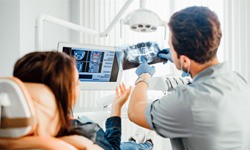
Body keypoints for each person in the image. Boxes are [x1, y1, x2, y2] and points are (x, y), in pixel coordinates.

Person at [128, 6, 250, 150]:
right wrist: (187, 69)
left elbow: (135, 111)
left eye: (171, 47)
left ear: (185, 60)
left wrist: (144, 76)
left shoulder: (188, 101)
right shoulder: (239, 80)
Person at [13, 51, 154, 150]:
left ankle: (136, 141)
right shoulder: (83, 134)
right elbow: (113, 147)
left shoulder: (13, 134)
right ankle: (148, 144)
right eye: (76, 82)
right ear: (64, 92)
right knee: (130, 148)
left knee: (127, 146)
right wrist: (116, 107)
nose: (79, 85)